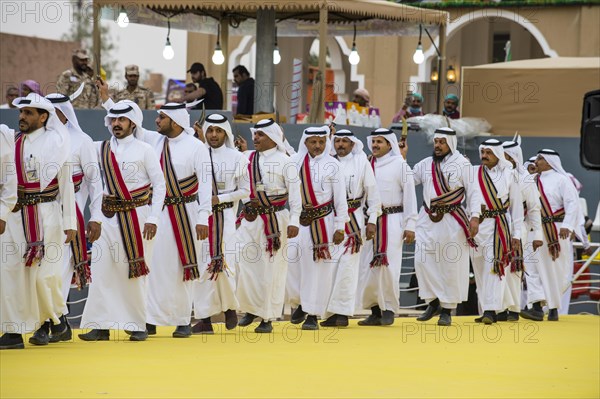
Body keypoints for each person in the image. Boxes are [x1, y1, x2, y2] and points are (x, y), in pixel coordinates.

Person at [78, 101, 166, 342]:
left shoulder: (145, 149)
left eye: (122, 120)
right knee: (102, 269)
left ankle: (138, 325)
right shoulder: (100, 149)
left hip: (138, 216)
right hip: (106, 217)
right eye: (113, 120)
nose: (116, 124)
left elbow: (159, 185)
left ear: (133, 123)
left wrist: (154, 217)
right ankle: (100, 326)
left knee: (136, 270)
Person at [0, 94, 77, 350]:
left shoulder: (58, 143)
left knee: (43, 277)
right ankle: (13, 331)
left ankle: (52, 320)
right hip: (15, 216)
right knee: (11, 274)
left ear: (44, 117)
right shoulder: (13, 142)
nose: (22, 117)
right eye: (21, 113)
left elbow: (66, 185)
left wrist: (70, 222)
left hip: (47, 216)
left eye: (29, 113)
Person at [143, 102, 211, 338]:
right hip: (158, 213)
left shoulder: (196, 147)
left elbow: (205, 185)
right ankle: (150, 319)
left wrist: (204, 217)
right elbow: (131, 125)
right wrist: (107, 100)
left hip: (187, 213)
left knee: (183, 266)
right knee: (154, 265)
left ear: (174, 121)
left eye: (161, 117)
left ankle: (182, 319)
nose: (157, 121)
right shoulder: (155, 141)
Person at [45, 92, 104, 342]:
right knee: (42, 272)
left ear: (63, 112)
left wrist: (97, 217)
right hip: (38, 215)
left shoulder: (82, 141)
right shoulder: (38, 140)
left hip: (72, 218)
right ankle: (58, 322)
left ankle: (51, 323)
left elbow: (95, 183)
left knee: (58, 271)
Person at [236, 119, 302, 333]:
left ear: (273, 137)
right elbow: (241, 185)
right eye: (255, 135)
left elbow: (295, 195)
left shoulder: (286, 161)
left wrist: (294, 221)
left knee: (272, 269)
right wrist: (247, 204)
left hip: (276, 219)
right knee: (247, 266)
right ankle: (251, 309)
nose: (255, 138)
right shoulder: (248, 157)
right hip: (251, 219)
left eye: (260, 135)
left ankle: (268, 317)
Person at [412, 127, 482, 326]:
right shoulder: (426, 164)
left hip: (453, 219)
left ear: (450, 143)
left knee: (450, 264)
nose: (438, 145)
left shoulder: (463, 164)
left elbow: (474, 192)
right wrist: (401, 158)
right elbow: (408, 180)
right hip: (427, 218)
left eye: (442, 142)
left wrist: (475, 217)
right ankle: (433, 301)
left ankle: (448, 309)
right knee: (422, 260)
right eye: (436, 142)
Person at [314, 129, 382, 327]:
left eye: (345, 141)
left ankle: (342, 313)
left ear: (353, 144)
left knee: (347, 268)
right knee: (329, 268)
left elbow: (373, 194)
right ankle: (327, 313)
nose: (340, 145)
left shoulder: (362, 162)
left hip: (353, 221)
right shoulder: (326, 161)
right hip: (328, 220)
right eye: (337, 141)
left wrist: (372, 221)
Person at [191, 114, 249, 334]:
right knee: (202, 266)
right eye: (210, 130)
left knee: (224, 266)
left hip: (225, 219)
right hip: (200, 219)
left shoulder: (237, 158)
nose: (214, 135)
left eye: (219, 130)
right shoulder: (198, 153)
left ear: (226, 133)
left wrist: (220, 199)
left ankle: (230, 309)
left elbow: (245, 191)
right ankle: (204, 319)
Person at [287, 126, 348, 331]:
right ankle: (301, 303)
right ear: (305, 143)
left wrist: (340, 227)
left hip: (324, 222)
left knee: (318, 270)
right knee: (292, 265)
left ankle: (312, 313)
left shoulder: (334, 165)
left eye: (322, 142)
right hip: (298, 222)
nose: (318, 146)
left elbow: (340, 199)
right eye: (313, 142)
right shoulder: (295, 162)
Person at [357, 128, 417, 326]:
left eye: (379, 142)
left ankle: (389, 309)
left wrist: (410, 225)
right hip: (369, 223)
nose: (375, 145)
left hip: (393, 221)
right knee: (367, 268)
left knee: (389, 268)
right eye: (373, 141)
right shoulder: (366, 163)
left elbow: (410, 197)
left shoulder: (400, 165)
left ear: (389, 144)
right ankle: (374, 310)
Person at [520, 149, 580, 321]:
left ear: (548, 161)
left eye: (539, 158)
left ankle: (553, 308)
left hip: (555, 229)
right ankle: (537, 307)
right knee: (531, 267)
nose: (536, 161)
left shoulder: (562, 180)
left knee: (554, 270)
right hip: (534, 229)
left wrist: (567, 225)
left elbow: (572, 204)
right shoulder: (532, 180)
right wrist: (527, 176)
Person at [470, 139, 523, 324]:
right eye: (482, 152)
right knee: (478, 269)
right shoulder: (474, 172)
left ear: (498, 154)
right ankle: (486, 308)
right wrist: (474, 217)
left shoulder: (510, 175)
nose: (484, 156)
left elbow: (516, 209)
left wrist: (517, 234)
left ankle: (491, 311)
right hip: (476, 227)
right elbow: (472, 198)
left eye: (488, 152)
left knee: (495, 267)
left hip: (499, 226)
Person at [500, 138, 543, 321]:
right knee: (497, 266)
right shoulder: (496, 176)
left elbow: (534, 208)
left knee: (514, 269)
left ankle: (514, 309)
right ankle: (499, 308)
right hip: (496, 227)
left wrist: (538, 234)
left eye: (506, 155)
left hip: (520, 228)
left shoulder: (526, 179)